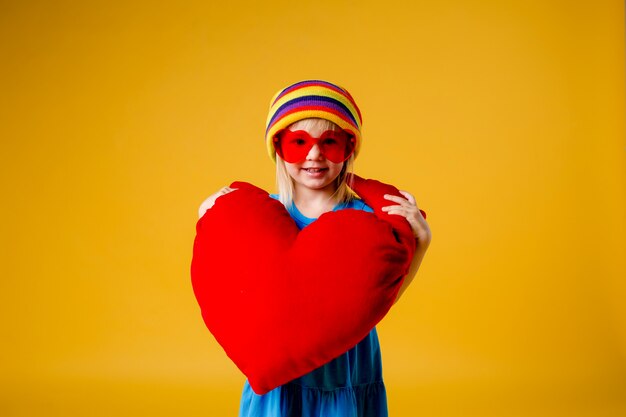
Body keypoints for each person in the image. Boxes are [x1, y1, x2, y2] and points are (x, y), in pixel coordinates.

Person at [198, 80, 431, 417]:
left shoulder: (367, 222)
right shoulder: (256, 220)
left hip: (345, 373)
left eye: (330, 143)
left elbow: (382, 298)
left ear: (349, 148)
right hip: (277, 377)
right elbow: (228, 288)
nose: (314, 155)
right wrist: (210, 215)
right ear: (278, 148)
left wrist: (419, 245)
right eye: (298, 143)